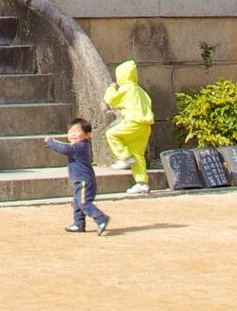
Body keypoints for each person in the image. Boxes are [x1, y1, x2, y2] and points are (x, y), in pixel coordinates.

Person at [41, 117, 109, 236]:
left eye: (76, 132)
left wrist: (52, 142)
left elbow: (65, 148)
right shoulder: (79, 145)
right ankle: (78, 224)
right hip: (81, 180)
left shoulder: (80, 146)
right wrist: (53, 143)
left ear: (87, 135)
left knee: (83, 203)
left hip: (84, 180)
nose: (73, 134)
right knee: (77, 202)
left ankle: (101, 218)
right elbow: (65, 146)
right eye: (70, 132)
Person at [102, 60, 154, 195]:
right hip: (145, 126)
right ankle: (142, 183)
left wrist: (111, 87)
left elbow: (112, 99)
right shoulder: (140, 90)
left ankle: (124, 157)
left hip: (133, 122)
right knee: (138, 154)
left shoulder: (127, 89)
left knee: (111, 134)